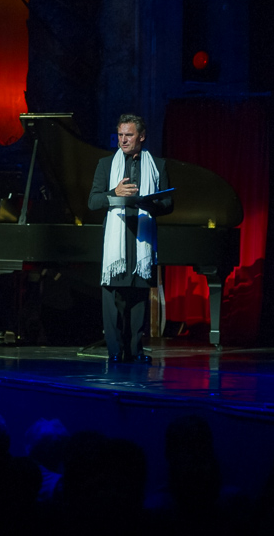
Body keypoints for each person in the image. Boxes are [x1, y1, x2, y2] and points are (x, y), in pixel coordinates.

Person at [88, 115, 173, 363]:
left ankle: (135, 350)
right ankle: (115, 351)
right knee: (113, 296)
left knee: (138, 296)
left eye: (129, 135)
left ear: (141, 137)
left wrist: (150, 203)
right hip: (117, 239)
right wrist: (114, 193)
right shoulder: (106, 164)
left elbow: (168, 203)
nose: (123, 140)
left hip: (142, 237)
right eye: (120, 135)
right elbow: (93, 201)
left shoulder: (158, 165)